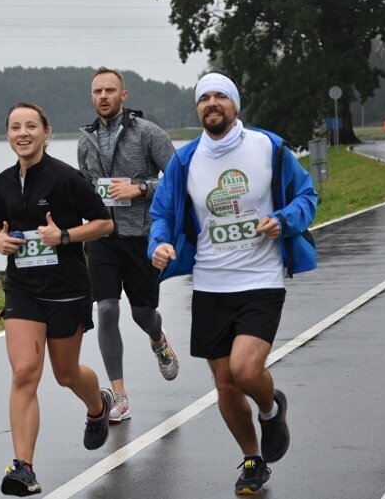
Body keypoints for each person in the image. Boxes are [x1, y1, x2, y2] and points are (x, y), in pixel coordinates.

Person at [147, 72, 317, 495]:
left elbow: (307, 196)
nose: (211, 103)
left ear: (235, 105)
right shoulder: (185, 161)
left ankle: (270, 406)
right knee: (224, 383)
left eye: (220, 95)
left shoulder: (268, 148)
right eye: (203, 97)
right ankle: (252, 459)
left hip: (260, 280)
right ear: (197, 109)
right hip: (209, 285)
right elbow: (163, 214)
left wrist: (282, 220)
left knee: (244, 369)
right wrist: (160, 244)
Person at [0, 101, 115, 497]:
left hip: (66, 290)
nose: (22, 133)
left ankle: (98, 407)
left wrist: (62, 236)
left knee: (66, 375)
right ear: (8, 135)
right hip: (22, 289)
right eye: (15, 127)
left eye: (30, 126)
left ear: (46, 132)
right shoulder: (3, 183)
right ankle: (23, 467)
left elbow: (104, 224)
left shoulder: (66, 179)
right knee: (25, 371)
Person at [77, 67, 179, 424]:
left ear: (124, 95)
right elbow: (87, 187)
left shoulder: (148, 133)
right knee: (106, 309)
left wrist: (141, 189)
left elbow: (177, 177)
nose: (102, 96)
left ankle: (158, 337)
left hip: (142, 236)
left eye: (109, 90)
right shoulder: (85, 140)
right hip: (102, 237)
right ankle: (119, 395)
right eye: (97, 92)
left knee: (141, 313)